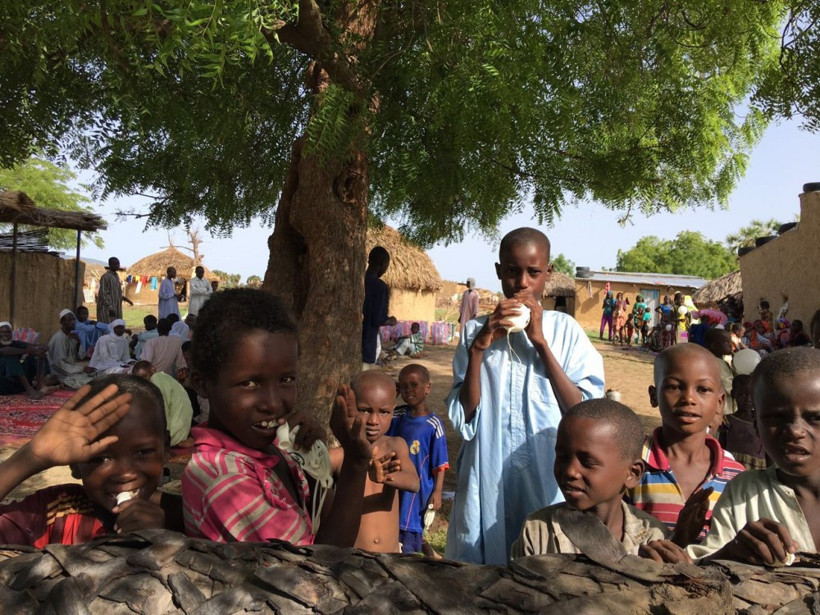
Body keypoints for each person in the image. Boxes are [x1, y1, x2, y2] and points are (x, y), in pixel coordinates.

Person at [446, 227, 605, 564]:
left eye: (533, 273)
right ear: (499, 272)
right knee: (482, 568)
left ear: (547, 274)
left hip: (546, 471)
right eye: (512, 271)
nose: (522, 283)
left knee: (544, 562)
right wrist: (478, 350)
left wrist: (540, 341)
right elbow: (466, 417)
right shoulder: (476, 330)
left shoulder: (566, 331)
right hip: (486, 470)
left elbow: (583, 411)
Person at [182, 288, 373, 546]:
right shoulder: (224, 478)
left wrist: (311, 465)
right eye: (249, 383)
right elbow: (318, 571)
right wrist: (355, 464)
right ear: (202, 384)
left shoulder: (266, 452)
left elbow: (316, 530)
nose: (273, 403)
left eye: (286, 380)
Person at [0, 376, 182, 545]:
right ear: (75, 464)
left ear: (165, 448)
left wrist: (162, 539)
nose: (125, 474)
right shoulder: (58, 511)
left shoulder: (189, 516)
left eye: (143, 452)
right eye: (101, 458)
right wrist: (32, 457)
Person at [510, 399, 688, 563]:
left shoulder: (653, 538)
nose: (570, 471)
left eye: (587, 463)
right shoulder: (539, 531)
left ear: (632, 473)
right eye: (563, 457)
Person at [688, 348, 820, 563]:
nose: (796, 431)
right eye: (776, 418)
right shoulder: (744, 492)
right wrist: (731, 553)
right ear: (756, 425)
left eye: (816, 417)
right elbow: (703, 569)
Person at [625, 344, 745, 545]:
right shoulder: (630, 463)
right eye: (674, 387)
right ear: (654, 396)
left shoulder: (735, 477)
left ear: (720, 401)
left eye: (703, 389)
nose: (688, 399)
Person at [332, 371, 419, 553]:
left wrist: (384, 477)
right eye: (365, 410)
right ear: (350, 408)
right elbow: (308, 465)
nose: (373, 420)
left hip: (391, 556)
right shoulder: (341, 457)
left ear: (393, 411)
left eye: (384, 412)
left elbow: (413, 483)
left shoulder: (396, 445)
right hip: (353, 558)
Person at [390, 364, 449, 554]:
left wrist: (437, 492)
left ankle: (419, 554)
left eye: (414, 385)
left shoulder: (433, 425)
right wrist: (392, 396)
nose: (409, 391)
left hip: (418, 490)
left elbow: (440, 464)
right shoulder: (397, 415)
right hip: (394, 483)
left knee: (410, 525)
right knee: (392, 522)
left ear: (428, 388)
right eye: (403, 386)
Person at [131, 361, 194, 448]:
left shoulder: (157, 378)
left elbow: (163, 409)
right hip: (179, 430)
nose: (143, 382)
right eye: (140, 380)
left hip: (172, 433)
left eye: (144, 377)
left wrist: (164, 438)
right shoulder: (166, 378)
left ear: (153, 370)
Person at [717, 375, 767, 471]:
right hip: (732, 466)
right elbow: (721, 448)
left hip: (757, 469)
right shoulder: (727, 420)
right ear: (733, 394)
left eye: (751, 395)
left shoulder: (761, 421)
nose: (748, 399)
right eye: (743, 395)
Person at [362, 246, 396, 367]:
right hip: (366, 342)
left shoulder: (358, 281)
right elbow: (378, 319)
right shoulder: (379, 287)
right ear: (382, 264)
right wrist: (391, 320)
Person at [0, 322, 52, 399]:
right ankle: (29, 390)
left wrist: (39, 350)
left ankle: (40, 385)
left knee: (37, 355)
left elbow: (43, 346)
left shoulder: (15, 343)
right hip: (3, 385)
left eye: (9, 332)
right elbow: (4, 351)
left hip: (17, 384)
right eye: (4, 332)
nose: (7, 335)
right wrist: (28, 350)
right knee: (11, 357)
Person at [47, 309, 97, 389]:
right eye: (69, 320)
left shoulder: (71, 337)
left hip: (71, 370)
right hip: (61, 373)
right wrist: (82, 369)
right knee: (91, 384)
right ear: (62, 322)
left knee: (97, 375)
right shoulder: (59, 338)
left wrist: (78, 343)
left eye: (73, 319)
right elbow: (59, 364)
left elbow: (80, 357)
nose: (73, 322)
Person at [705, 327, 736, 417]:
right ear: (714, 346)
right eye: (726, 342)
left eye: (730, 342)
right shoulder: (716, 363)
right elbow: (729, 386)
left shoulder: (721, 361)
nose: (730, 345)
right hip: (724, 409)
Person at [96, 257, 133, 324]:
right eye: (115, 264)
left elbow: (117, 293)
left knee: (116, 327)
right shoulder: (106, 277)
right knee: (107, 327)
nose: (117, 266)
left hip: (116, 307)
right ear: (110, 265)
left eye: (118, 264)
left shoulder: (116, 276)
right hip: (107, 309)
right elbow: (104, 294)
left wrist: (126, 300)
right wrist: (110, 308)